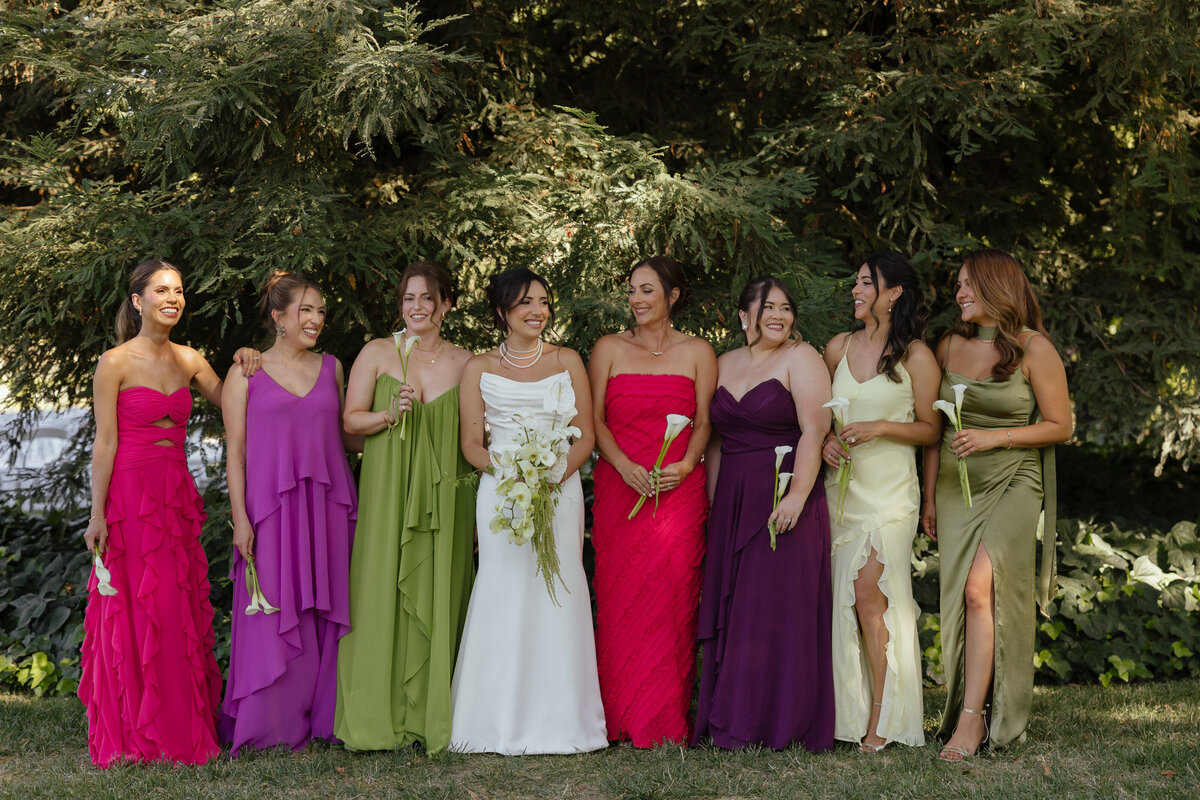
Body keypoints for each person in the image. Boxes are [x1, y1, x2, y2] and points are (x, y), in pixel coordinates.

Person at [448, 267, 607, 754]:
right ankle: (489, 720)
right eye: (525, 303)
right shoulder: (478, 367)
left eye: (542, 301)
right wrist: (508, 472)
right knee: (503, 585)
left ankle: (564, 722)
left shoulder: (568, 359)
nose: (537, 311)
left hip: (559, 488)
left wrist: (553, 474)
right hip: (502, 491)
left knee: (558, 586)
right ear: (502, 312)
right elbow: (472, 445)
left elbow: (587, 435)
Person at [921, 249, 1071, 760]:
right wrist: (929, 499)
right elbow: (934, 433)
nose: (959, 292)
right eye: (958, 285)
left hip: (1013, 478)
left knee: (980, 589)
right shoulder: (947, 346)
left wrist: (994, 439)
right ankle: (970, 703)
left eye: (968, 284)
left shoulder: (1034, 348)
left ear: (996, 287)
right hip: (953, 483)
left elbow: (1060, 425)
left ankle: (973, 721)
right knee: (964, 596)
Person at [79, 259, 224, 767]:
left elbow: (237, 404)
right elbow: (105, 442)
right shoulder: (114, 362)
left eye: (179, 290)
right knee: (139, 607)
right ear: (137, 301)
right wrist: (97, 514)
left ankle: (179, 725)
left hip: (175, 495)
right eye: (161, 290)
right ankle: (137, 730)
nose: (173, 297)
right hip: (130, 499)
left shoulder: (190, 360)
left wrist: (256, 360)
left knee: (174, 606)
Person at [334, 260, 476, 754]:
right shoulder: (376, 353)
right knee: (379, 590)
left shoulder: (467, 363)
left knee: (442, 590)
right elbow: (349, 424)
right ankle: (379, 716)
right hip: (388, 487)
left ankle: (429, 713)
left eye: (427, 298)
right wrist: (387, 414)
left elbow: (477, 437)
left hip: (446, 495)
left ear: (446, 305)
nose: (417, 307)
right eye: (408, 299)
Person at [693, 275, 835, 752]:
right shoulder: (722, 362)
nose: (779, 316)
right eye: (768, 307)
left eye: (786, 308)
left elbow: (815, 432)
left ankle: (776, 721)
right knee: (737, 609)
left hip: (783, 492)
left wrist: (796, 497)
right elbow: (714, 439)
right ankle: (731, 715)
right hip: (733, 494)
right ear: (744, 316)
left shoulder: (803, 358)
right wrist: (714, 503)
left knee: (773, 609)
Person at [218, 272, 357, 754]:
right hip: (270, 511)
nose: (316, 319)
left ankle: (327, 718)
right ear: (278, 317)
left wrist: (393, 417)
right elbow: (235, 453)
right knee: (275, 609)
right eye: (305, 310)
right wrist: (240, 519)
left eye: (320, 310)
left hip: (327, 505)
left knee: (327, 607)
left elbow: (344, 438)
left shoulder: (333, 367)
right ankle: (270, 725)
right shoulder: (245, 373)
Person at [588, 255, 716, 746]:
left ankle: (664, 722)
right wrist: (623, 466)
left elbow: (704, 423)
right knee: (621, 597)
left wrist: (686, 466)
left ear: (673, 296)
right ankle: (617, 718)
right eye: (632, 291)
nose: (636, 300)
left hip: (677, 488)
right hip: (622, 486)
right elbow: (595, 418)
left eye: (647, 291)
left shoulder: (699, 352)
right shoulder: (608, 349)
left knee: (671, 601)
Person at [820, 253, 940, 752]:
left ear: (894, 294)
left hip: (891, 494)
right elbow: (823, 418)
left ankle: (882, 718)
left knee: (873, 598)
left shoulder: (916, 356)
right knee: (845, 602)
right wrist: (827, 441)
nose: (856, 289)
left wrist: (882, 427)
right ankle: (846, 714)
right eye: (856, 282)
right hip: (841, 492)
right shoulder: (836, 348)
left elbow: (932, 430)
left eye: (867, 283)